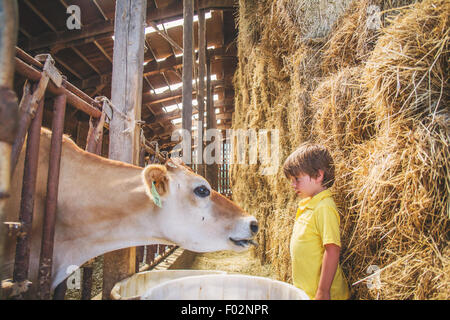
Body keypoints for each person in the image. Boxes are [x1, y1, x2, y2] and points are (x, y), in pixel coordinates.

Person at [283, 143, 350, 300]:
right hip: (308, 292)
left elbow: (332, 250)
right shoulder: (308, 205)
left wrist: (323, 291)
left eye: (297, 179)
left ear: (319, 175)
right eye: (291, 180)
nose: (293, 184)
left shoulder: (324, 207)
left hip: (325, 295)